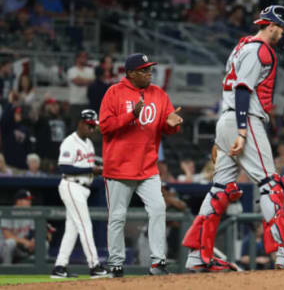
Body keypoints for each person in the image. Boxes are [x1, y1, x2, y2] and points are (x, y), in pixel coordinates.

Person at [182, 5, 284, 272]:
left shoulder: (242, 47)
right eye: (283, 29)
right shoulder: (259, 50)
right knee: (271, 184)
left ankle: (198, 255)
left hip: (227, 119)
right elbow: (243, 89)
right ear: (271, 25)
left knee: (219, 189)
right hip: (243, 119)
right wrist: (243, 131)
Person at [99, 53, 183, 277]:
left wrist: (173, 124)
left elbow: (167, 123)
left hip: (147, 167)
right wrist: (130, 115)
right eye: (144, 70)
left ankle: (158, 263)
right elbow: (104, 127)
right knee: (117, 217)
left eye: (150, 69)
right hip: (118, 169)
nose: (149, 73)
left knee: (158, 209)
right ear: (131, 73)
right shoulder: (114, 92)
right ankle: (115, 264)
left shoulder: (158, 94)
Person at [50, 109, 109, 279]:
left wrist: (98, 169)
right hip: (71, 185)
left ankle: (59, 267)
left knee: (72, 229)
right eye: (89, 125)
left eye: (93, 127)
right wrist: (91, 169)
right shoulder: (69, 142)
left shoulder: (89, 144)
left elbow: (90, 166)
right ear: (81, 123)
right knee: (85, 225)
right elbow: (64, 167)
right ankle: (94, 265)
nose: (91, 129)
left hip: (83, 188)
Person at [1, 190, 36, 265]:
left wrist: (33, 241)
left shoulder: (30, 214)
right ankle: (6, 270)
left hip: (20, 247)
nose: (30, 202)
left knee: (42, 244)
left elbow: (33, 233)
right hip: (3, 247)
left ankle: (37, 271)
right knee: (10, 242)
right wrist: (25, 242)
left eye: (30, 200)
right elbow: (7, 236)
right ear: (18, 201)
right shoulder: (7, 212)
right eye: (27, 200)